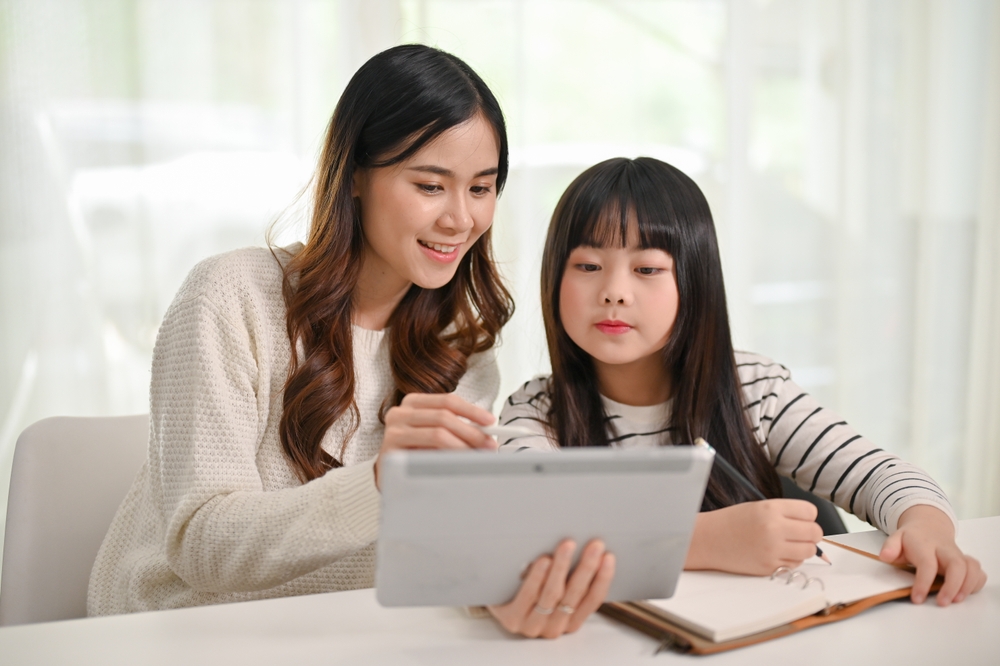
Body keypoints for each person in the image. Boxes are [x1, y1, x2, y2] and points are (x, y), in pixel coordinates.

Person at [88, 44, 522, 615]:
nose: (460, 219)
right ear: (357, 176)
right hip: (177, 632)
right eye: (430, 185)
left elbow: (425, 557)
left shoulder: (458, 351)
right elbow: (201, 544)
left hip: (343, 632)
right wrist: (378, 485)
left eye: (481, 188)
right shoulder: (230, 297)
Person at [492, 156, 987, 638]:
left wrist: (928, 527)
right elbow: (527, 534)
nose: (614, 291)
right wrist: (705, 541)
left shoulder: (754, 389)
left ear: (695, 281)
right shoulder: (534, 414)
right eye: (588, 265)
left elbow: (883, 475)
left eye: (647, 269)